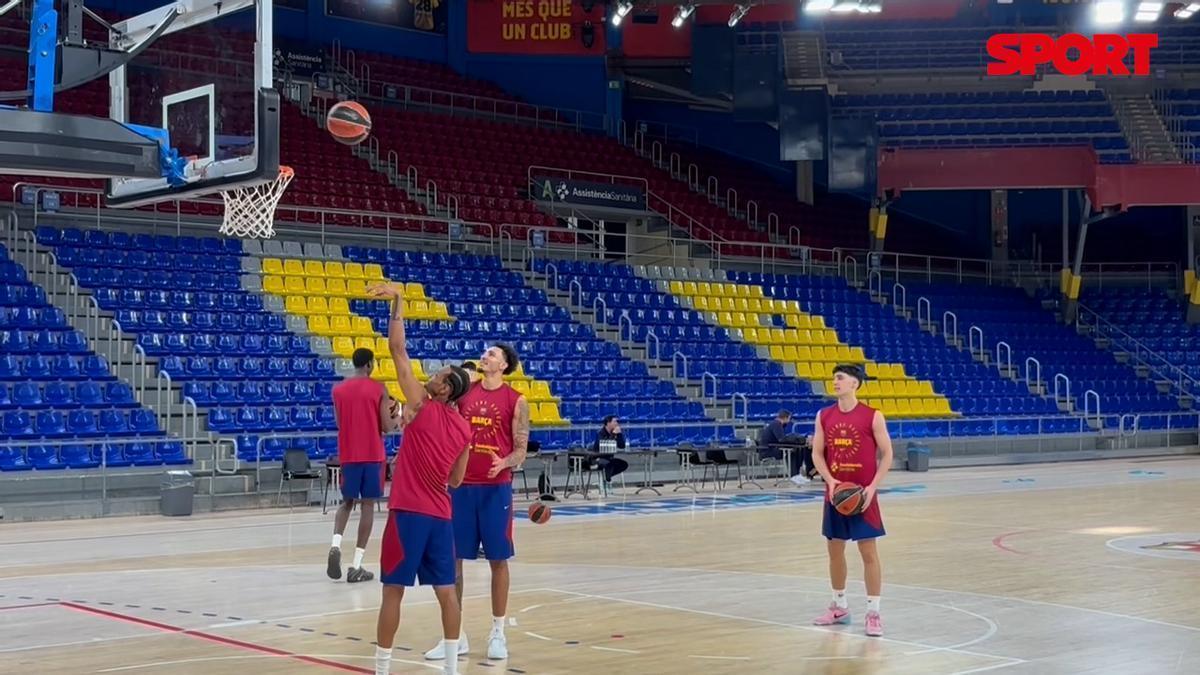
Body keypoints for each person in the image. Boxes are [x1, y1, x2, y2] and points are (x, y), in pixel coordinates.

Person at [368, 283, 474, 675]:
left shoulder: (420, 404)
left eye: (440, 374)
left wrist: (398, 301)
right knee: (447, 593)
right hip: (441, 515)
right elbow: (457, 480)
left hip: (408, 512)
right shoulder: (464, 430)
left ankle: (382, 668)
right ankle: (450, 668)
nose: (433, 374)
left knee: (392, 591)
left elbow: (398, 350)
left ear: (445, 389)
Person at [425, 343, 529, 662]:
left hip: (496, 489)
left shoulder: (516, 400)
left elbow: (522, 449)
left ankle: (498, 631)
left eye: (493, 355)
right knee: (452, 560)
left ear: (505, 365)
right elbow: (435, 404)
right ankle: (454, 635)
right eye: (485, 354)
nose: (486, 357)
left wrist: (506, 461)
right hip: (461, 488)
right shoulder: (463, 393)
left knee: (498, 559)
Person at [810, 364, 894, 638]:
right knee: (834, 551)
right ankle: (840, 606)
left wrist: (871, 488)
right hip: (836, 495)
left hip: (862, 496)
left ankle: (874, 613)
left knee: (868, 553)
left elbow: (888, 454)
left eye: (840, 378)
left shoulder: (873, 416)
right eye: (834, 378)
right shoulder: (824, 415)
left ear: (854, 384)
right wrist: (830, 481)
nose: (834, 382)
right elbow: (817, 454)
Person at [327, 347, 391, 583]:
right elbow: (386, 426)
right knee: (367, 506)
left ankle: (335, 544)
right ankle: (356, 565)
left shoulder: (338, 390)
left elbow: (338, 422)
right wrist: (394, 418)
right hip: (372, 454)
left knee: (346, 503)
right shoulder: (378, 388)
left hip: (349, 453)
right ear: (370, 365)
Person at [758, 409, 814, 485]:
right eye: (789, 418)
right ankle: (793, 475)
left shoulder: (776, 424)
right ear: (785, 418)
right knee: (792, 451)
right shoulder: (776, 424)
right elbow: (781, 439)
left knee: (798, 448)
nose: (789, 421)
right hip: (768, 451)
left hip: (773, 448)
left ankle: (797, 474)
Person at [587, 415, 629, 483]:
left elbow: (622, 446)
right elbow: (605, 444)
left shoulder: (615, 432)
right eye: (615, 421)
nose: (617, 423)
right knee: (609, 464)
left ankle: (606, 478)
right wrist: (613, 434)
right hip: (598, 458)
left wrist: (619, 434)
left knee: (623, 464)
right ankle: (607, 481)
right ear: (608, 423)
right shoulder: (600, 433)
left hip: (609, 458)